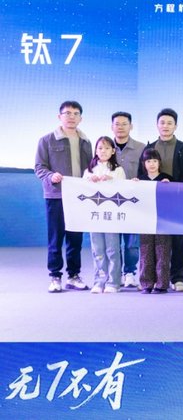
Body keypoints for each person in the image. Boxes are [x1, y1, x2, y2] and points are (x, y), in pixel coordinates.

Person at [35, 101, 92, 293]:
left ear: (81, 118)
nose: (71, 116)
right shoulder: (47, 140)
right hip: (56, 196)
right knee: (56, 238)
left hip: (80, 197)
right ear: (59, 117)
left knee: (75, 239)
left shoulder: (86, 142)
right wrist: (51, 176)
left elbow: (90, 168)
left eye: (76, 113)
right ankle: (55, 277)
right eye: (67, 113)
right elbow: (39, 167)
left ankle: (74, 276)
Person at [138, 108, 183, 292]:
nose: (165, 126)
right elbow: (141, 175)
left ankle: (178, 278)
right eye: (162, 122)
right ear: (157, 125)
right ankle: (152, 279)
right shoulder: (149, 148)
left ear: (175, 126)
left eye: (170, 123)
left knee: (178, 240)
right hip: (152, 204)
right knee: (153, 244)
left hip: (177, 202)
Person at [83, 136, 127, 293]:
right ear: (96, 150)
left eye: (107, 148)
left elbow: (124, 189)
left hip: (111, 216)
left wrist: (112, 180)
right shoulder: (88, 171)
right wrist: (89, 180)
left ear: (113, 151)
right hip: (95, 216)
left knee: (113, 249)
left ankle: (114, 282)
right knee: (98, 250)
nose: (103, 151)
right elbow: (82, 190)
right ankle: (99, 281)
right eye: (100, 148)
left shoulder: (118, 170)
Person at [111, 111, 145, 290]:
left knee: (132, 243)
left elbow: (146, 172)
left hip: (133, 203)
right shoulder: (105, 147)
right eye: (117, 124)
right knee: (113, 242)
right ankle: (114, 275)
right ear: (112, 127)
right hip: (111, 203)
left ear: (131, 126)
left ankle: (130, 273)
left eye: (124, 124)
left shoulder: (141, 148)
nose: (121, 127)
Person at [136, 149, 173, 294]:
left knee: (163, 251)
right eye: (148, 161)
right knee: (146, 252)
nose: (152, 164)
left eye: (155, 161)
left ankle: (162, 284)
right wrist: (133, 186)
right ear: (143, 164)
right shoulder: (139, 180)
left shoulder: (167, 179)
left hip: (163, 221)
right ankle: (146, 284)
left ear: (159, 163)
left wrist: (169, 186)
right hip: (144, 221)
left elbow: (175, 197)